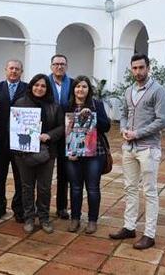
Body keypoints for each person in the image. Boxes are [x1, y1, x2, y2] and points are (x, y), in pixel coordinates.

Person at [109, 54, 165, 250]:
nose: (138, 72)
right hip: (130, 148)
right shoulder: (128, 90)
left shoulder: (158, 90)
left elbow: (162, 120)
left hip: (148, 148)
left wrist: (137, 133)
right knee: (130, 188)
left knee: (149, 191)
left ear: (148, 67)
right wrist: (124, 130)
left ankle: (149, 234)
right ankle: (129, 227)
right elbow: (125, 114)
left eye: (141, 67)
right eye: (134, 68)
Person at [13, 74, 64, 234]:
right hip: (24, 152)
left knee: (44, 188)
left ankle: (44, 217)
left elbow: (62, 127)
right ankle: (29, 217)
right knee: (27, 187)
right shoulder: (20, 103)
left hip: (46, 152)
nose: (39, 88)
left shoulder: (54, 106)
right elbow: (12, 126)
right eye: (36, 85)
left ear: (47, 88)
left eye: (43, 86)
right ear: (31, 86)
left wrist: (49, 135)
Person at [65, 76, 110, 234]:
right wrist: (69, 151)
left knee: (92, 188)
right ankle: (75, 219)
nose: (80, 90)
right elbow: (62, 131)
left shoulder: (96, 104)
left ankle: (92, 220)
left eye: (84, 87)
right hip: (73, 154)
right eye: (77, 87)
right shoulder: (67, 106)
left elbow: (107, 126)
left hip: (94, 154)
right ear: (74, 89)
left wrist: (92, 115)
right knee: (75, 188)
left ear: (88, 89)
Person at [0, 60, 27, 222]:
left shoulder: (28, 89)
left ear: (21, 71)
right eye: (11, 68)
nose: (14, 71)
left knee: (21, 177)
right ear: (5, 70)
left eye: (17, 69)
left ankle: (19, 209)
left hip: (20, 141)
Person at [48, 54, 73, 220]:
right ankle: (41, 206)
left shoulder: (72, 84)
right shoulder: (45, 82)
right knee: (44, 172)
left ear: (66, 66)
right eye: (56, 64)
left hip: (67, 133)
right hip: (49, 133)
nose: (59, 67)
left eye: (62, 64)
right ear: (51, 66)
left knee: (64, 173)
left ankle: (62, 207)